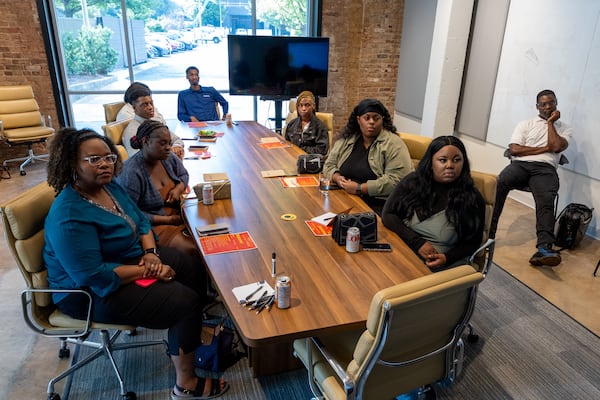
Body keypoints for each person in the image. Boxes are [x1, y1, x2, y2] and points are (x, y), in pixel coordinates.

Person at [43, 128, 229, 399]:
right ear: (72, 164)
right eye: (93, 160)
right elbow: (92, 275)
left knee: (190, 263)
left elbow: (141, 221)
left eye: (107, 157)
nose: (105, 164)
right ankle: (185, 384)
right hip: (88, 292)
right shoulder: (68, 215)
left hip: (126, 259)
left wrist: (152, 253)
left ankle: (188, 335)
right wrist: (149, 269)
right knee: (184, 301)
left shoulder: (109, 186)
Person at [489, 89, 572, 267]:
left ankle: (544, 248)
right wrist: (543, 149)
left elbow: (556, 147)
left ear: (556, 103)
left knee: (546, 200)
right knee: (499, 184)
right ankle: (487, 234)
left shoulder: (564, 128)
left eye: (551, 102)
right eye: (544, 104)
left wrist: (550, 123)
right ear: (537, 106)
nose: (548, 106)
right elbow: (515, 150)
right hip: (520, 165)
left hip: (545, 169)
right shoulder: (525, 124)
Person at [382, 136, 485, 270]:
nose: (450, 165)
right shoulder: (413, 182)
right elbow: (388, 214)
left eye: (457, 160)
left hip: (440, 265)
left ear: (463, 163)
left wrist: (447, 258)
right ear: (431, 162)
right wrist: (418, 243)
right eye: (443, 160)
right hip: (404, 253)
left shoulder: (472, 198)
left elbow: (473, 242)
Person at [322, 98, 413, 214]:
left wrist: (360, 188)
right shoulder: (348, 139)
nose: (371, 122)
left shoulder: (394, 144)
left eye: (376, 118)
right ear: (358, 120)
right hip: (345, 197)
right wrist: (337, 177)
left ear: (382, 120)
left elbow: (396, 181)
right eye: (367, 118)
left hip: (379, 205)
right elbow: (329, 164)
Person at [121, 86, 185, 159]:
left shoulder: (155, 123)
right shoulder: (132, 131)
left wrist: (176, 146)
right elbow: (138, 160)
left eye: (151, 103)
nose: (150, 107)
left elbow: (176, 139)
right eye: (145, 104)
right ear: (134, 108)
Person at [284, 91, 329, 155]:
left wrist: (299, 150)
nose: (304, 108)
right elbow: (287, 144)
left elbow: (322, 150)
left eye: (307, 105)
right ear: (297, 107)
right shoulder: (291, 124)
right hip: (292, 158)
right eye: (301, 105)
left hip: (310, 161)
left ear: (313, 106)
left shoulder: (320, 127)